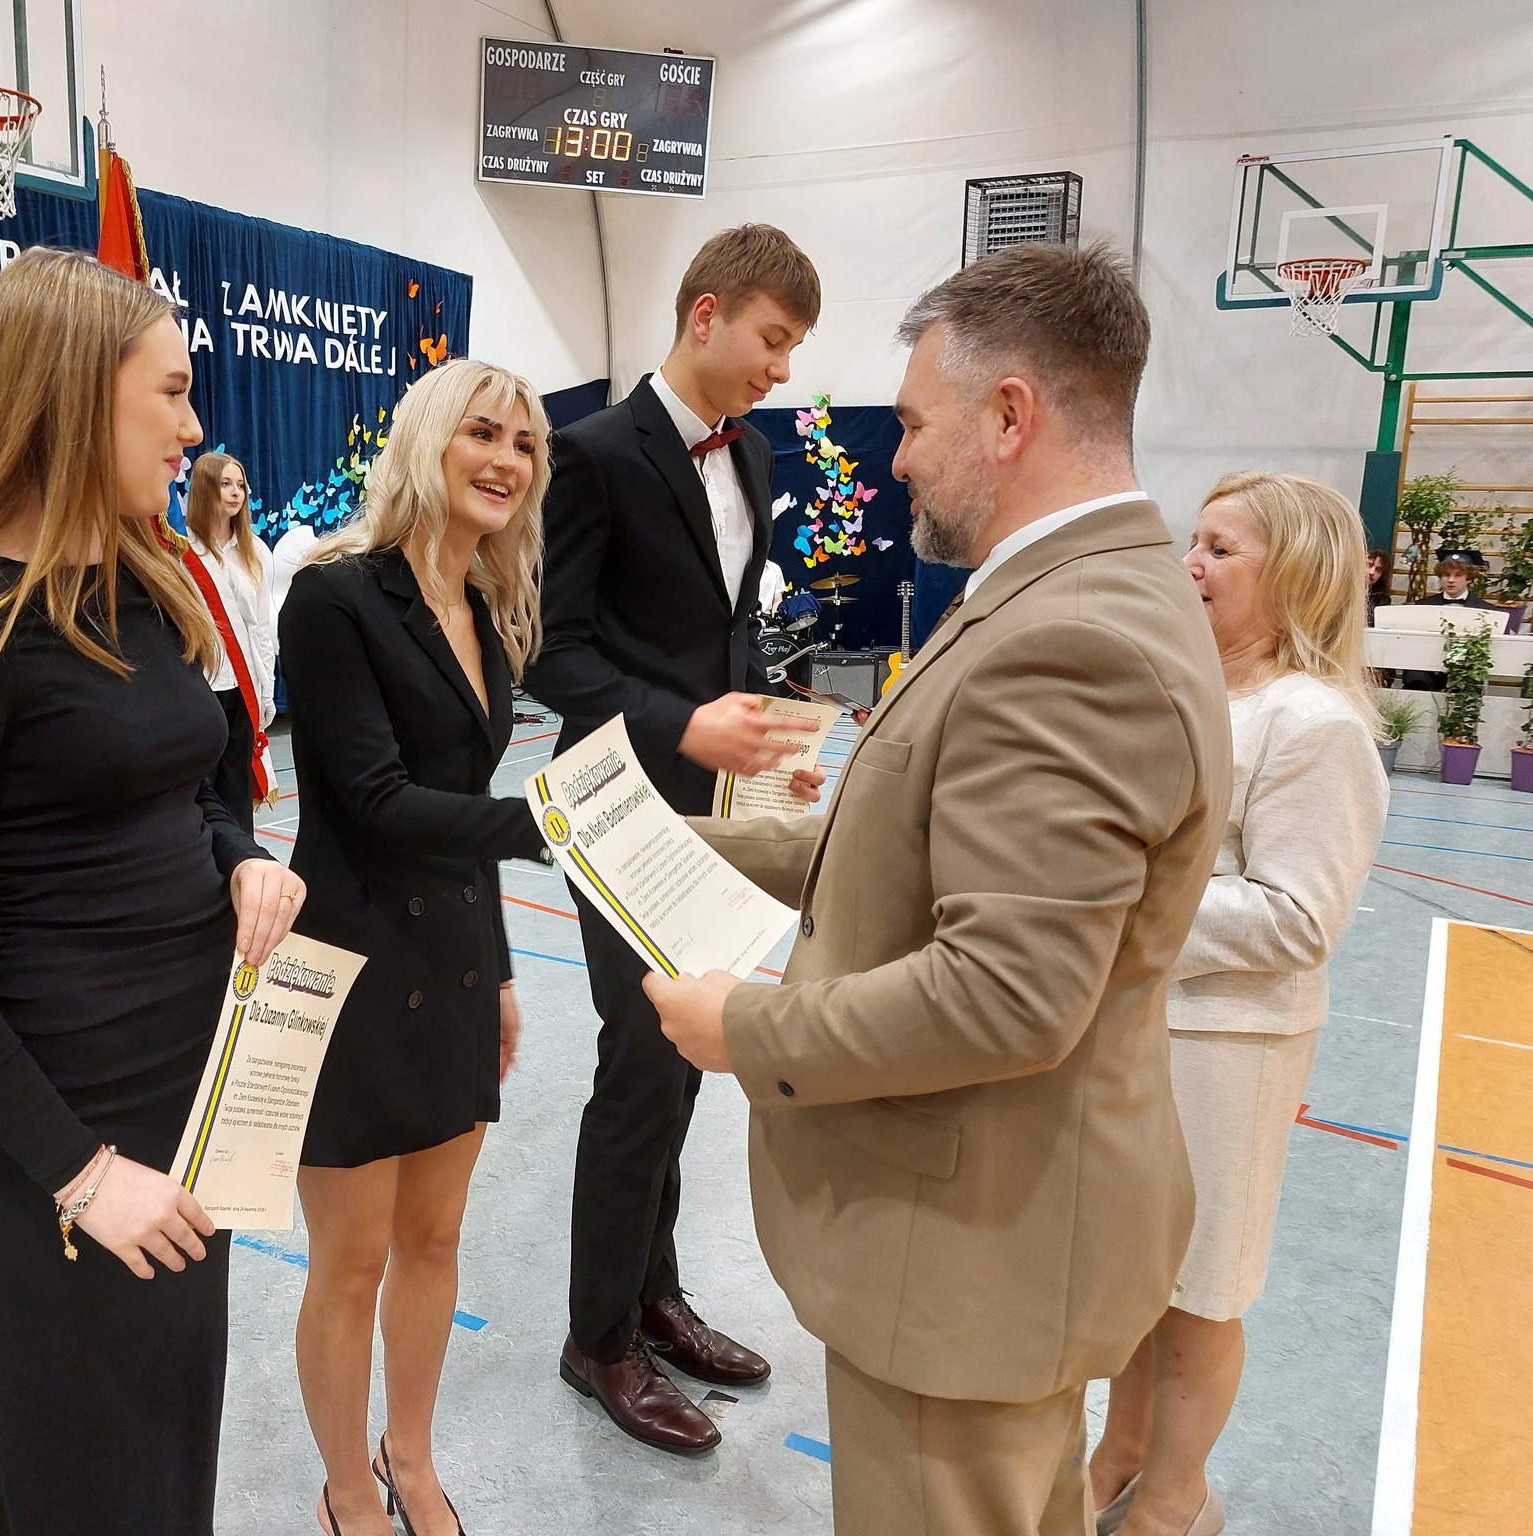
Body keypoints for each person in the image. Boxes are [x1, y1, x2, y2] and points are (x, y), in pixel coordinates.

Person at [643, 241, 1232, 1536]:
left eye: (912, 425)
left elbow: (1004, 994)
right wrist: (673, 845)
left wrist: (743, 1029)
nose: (896, 460)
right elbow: (916, 839)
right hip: (996, 1238)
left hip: (969, 1257)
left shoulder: (1071, 639)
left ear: (1009, 416)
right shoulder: (1067, 594)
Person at [0, 247, 306, 1536]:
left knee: (161, 1456)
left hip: (184, 1097)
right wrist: (79, 1172)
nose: (193, 427)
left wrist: (239, 859)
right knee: (75, 1473)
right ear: (71, 395)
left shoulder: (142, 584)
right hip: (57, 1123)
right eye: (169, 392)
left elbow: (197, 790)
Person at [520, 223, 823, 1453]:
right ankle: (596, 1338)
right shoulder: (592, 454)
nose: (781, 370)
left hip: (708, 810)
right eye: (771, 339)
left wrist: (769, 739)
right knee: (640, 1061)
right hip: (613, 805)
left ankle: (654, 1295)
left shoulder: (750, 455)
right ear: (705, 314)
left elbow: (727, 634)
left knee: (686, 1056)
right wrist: (677, 722)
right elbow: (548, 652)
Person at [280, 359, 554, 1536]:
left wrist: (500, 970)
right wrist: (553, 825)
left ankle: (410, 1454)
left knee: (434, 1240)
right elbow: (378, 802)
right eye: (481, 433)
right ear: (427, 444)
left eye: (525, 444)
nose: (505, 460)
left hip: (449, 964)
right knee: (349, 1261)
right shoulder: (334, 596)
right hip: (344, 970)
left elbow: (460, 802)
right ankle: (346, 1483)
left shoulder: (485, 610)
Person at [1087, 473, 1389, 1536]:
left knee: (1199, 1291)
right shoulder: (1190, 693)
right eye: (1194, 542)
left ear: (1293, 573)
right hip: (1135, 1031)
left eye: (1220, 550)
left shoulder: (1313, 724)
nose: (1190, 564)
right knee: (1134, 1276)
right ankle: (1119, 1454)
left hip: (1227, 1046)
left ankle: (1176, 1497)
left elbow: (1299, 919)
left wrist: (1121, 904)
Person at [182, 450, 278, 831]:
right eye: (225, 484)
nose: (236, 492)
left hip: (242, 687)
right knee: (200, 791)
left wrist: (266, 691)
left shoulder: (256, 552)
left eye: (241, 485)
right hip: (201, 686)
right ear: (205, 488)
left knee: (237, 792)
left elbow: (261, 628)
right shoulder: (181, 554)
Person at [1399, 547, 1515, 687]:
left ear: (1469, 579)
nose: (1451, 580)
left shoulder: (1486, 610)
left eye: (1458, 575)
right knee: (1415, 676)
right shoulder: (1422, 606)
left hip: (1466, 670)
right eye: (1446, 575)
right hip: (1425, 669)